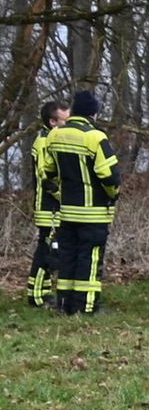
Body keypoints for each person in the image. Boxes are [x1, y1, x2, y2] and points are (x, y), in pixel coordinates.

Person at [41, 91, 121, 314]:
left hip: (67, 211)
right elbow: (110, 177)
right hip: (93, 212)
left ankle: (64, 304)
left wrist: (62, 194)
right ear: (93, 113)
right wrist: (113, 194)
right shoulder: (95, 137)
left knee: (68, 257)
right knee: (90, 258)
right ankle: (86, 306)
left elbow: (48, 172)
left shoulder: (55, 135)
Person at [26, 99, 69, 307]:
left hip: (52, 206)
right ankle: (35, 296)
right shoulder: (44, 141)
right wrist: (66, 195)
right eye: (65, 120)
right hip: (48, 207)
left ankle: (43, 291)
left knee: (49, 249)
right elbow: (46, 176)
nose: (68, 125)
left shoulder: (51, 138)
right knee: (46, 251)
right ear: (53, 121)